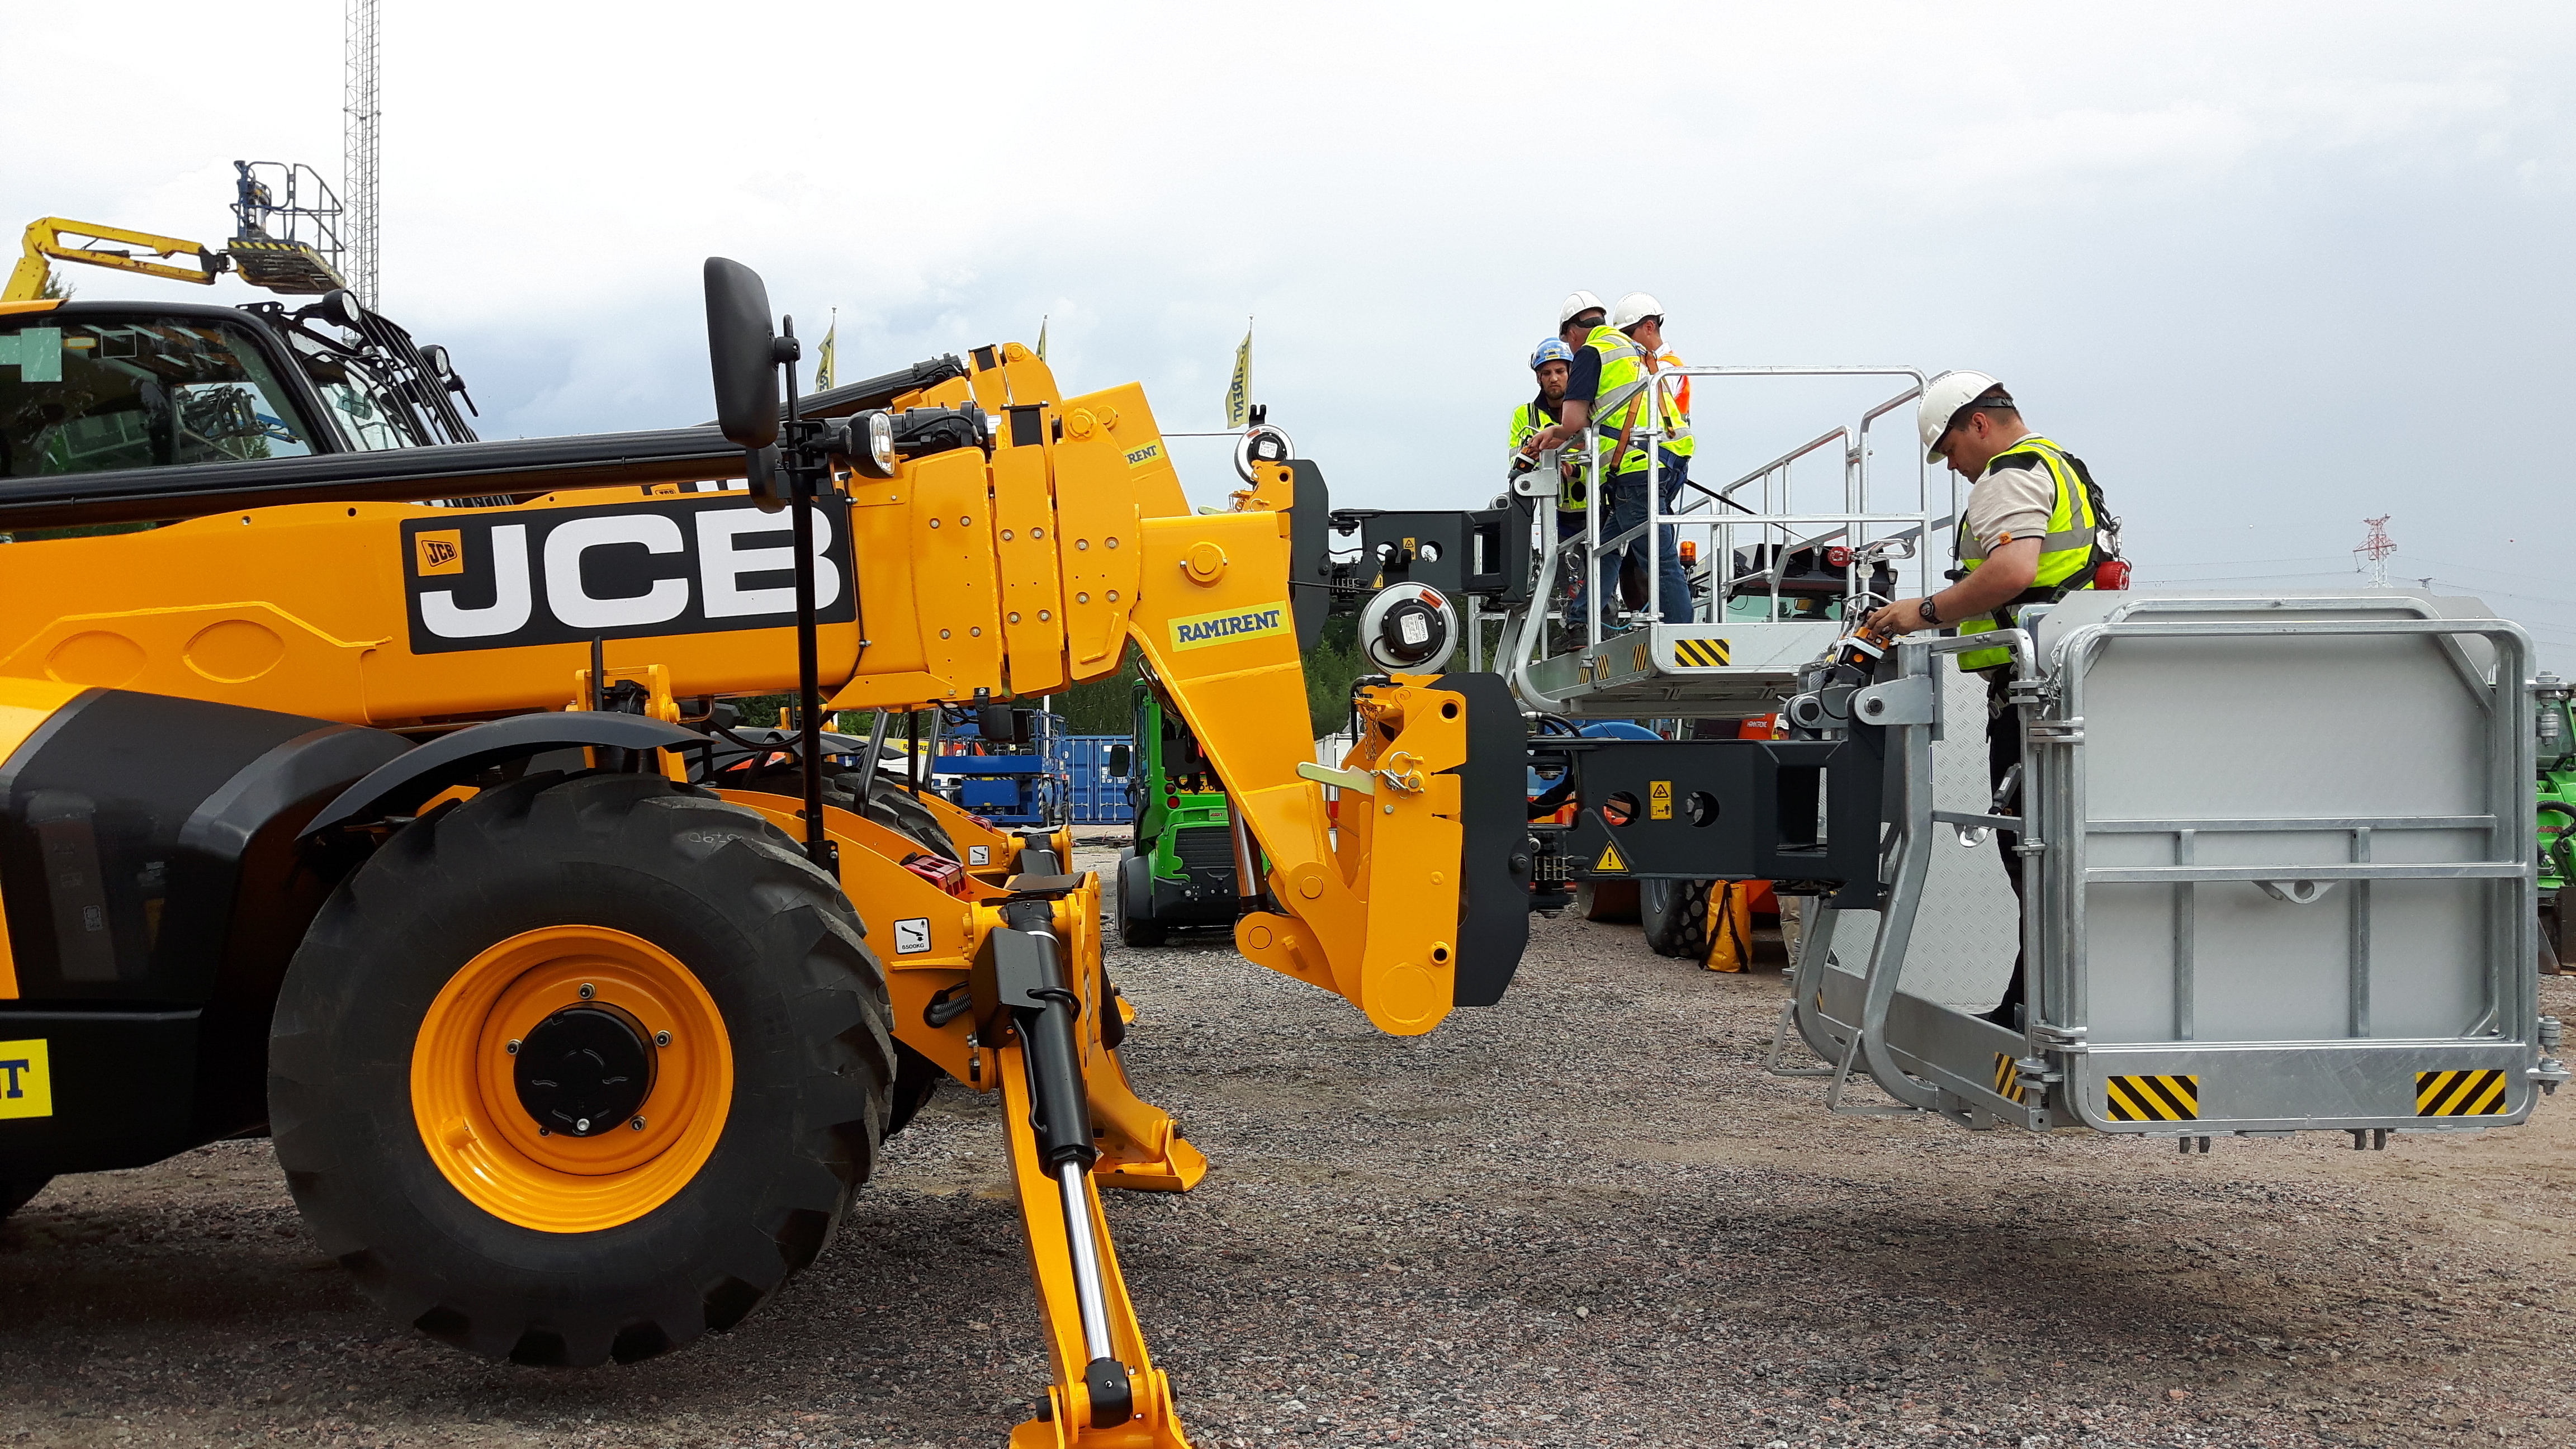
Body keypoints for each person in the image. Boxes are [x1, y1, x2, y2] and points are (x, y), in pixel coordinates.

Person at [1864, 372, 2113, 1029]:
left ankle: (2035, 1006)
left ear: (1977, 423)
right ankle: (2039, 1000)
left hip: (2033, 697)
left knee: (2029, 852)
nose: (1953, 467)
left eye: (1948, 450)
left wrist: (1921, 612)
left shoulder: (2009, 474)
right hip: (2062, 686)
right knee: (2048, 852)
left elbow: (2012, 571)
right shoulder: (2063, 468)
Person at [1510, 338, 1593, 621]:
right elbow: (1517, 463)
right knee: (1564, 580)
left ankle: (1601, 624)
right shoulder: (1525, 415)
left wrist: (1572, 468)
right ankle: (1573, 629)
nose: (1554, 378)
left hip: (1594, 507)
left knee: (1600, 572)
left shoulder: (1590, 409)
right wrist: (1541, 462)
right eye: (1546, 373)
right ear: (1538, 378)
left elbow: (1601, 454)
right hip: (1554, 512)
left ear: (1571, 373)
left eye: (1560, 371)